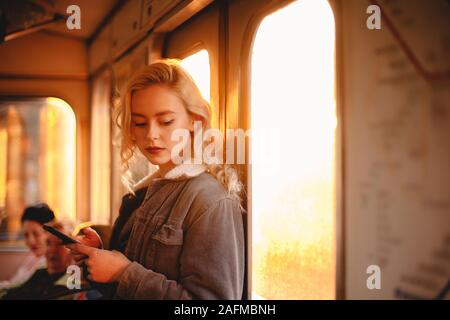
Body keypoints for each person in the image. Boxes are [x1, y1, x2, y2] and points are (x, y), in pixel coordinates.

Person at [68, 59, 245, 299]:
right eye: (140, 123)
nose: (151, 134)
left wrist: (123, 272)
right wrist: (100, 257)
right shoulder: (141, 194)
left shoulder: (210, 202)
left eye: (166, 121)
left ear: (195, 121)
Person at [0, 221, 87, 299]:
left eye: (60, 243)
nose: (52, 250)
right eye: (48, 243)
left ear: (72, 250)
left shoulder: (72, 283)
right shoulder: (39, 273)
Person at [0, 203, 55, 289]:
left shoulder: (49, 266)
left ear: (50, 234)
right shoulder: (32, 257)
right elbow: (13, 284)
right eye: (26, 235)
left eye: (36, 234)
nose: (30, 241)